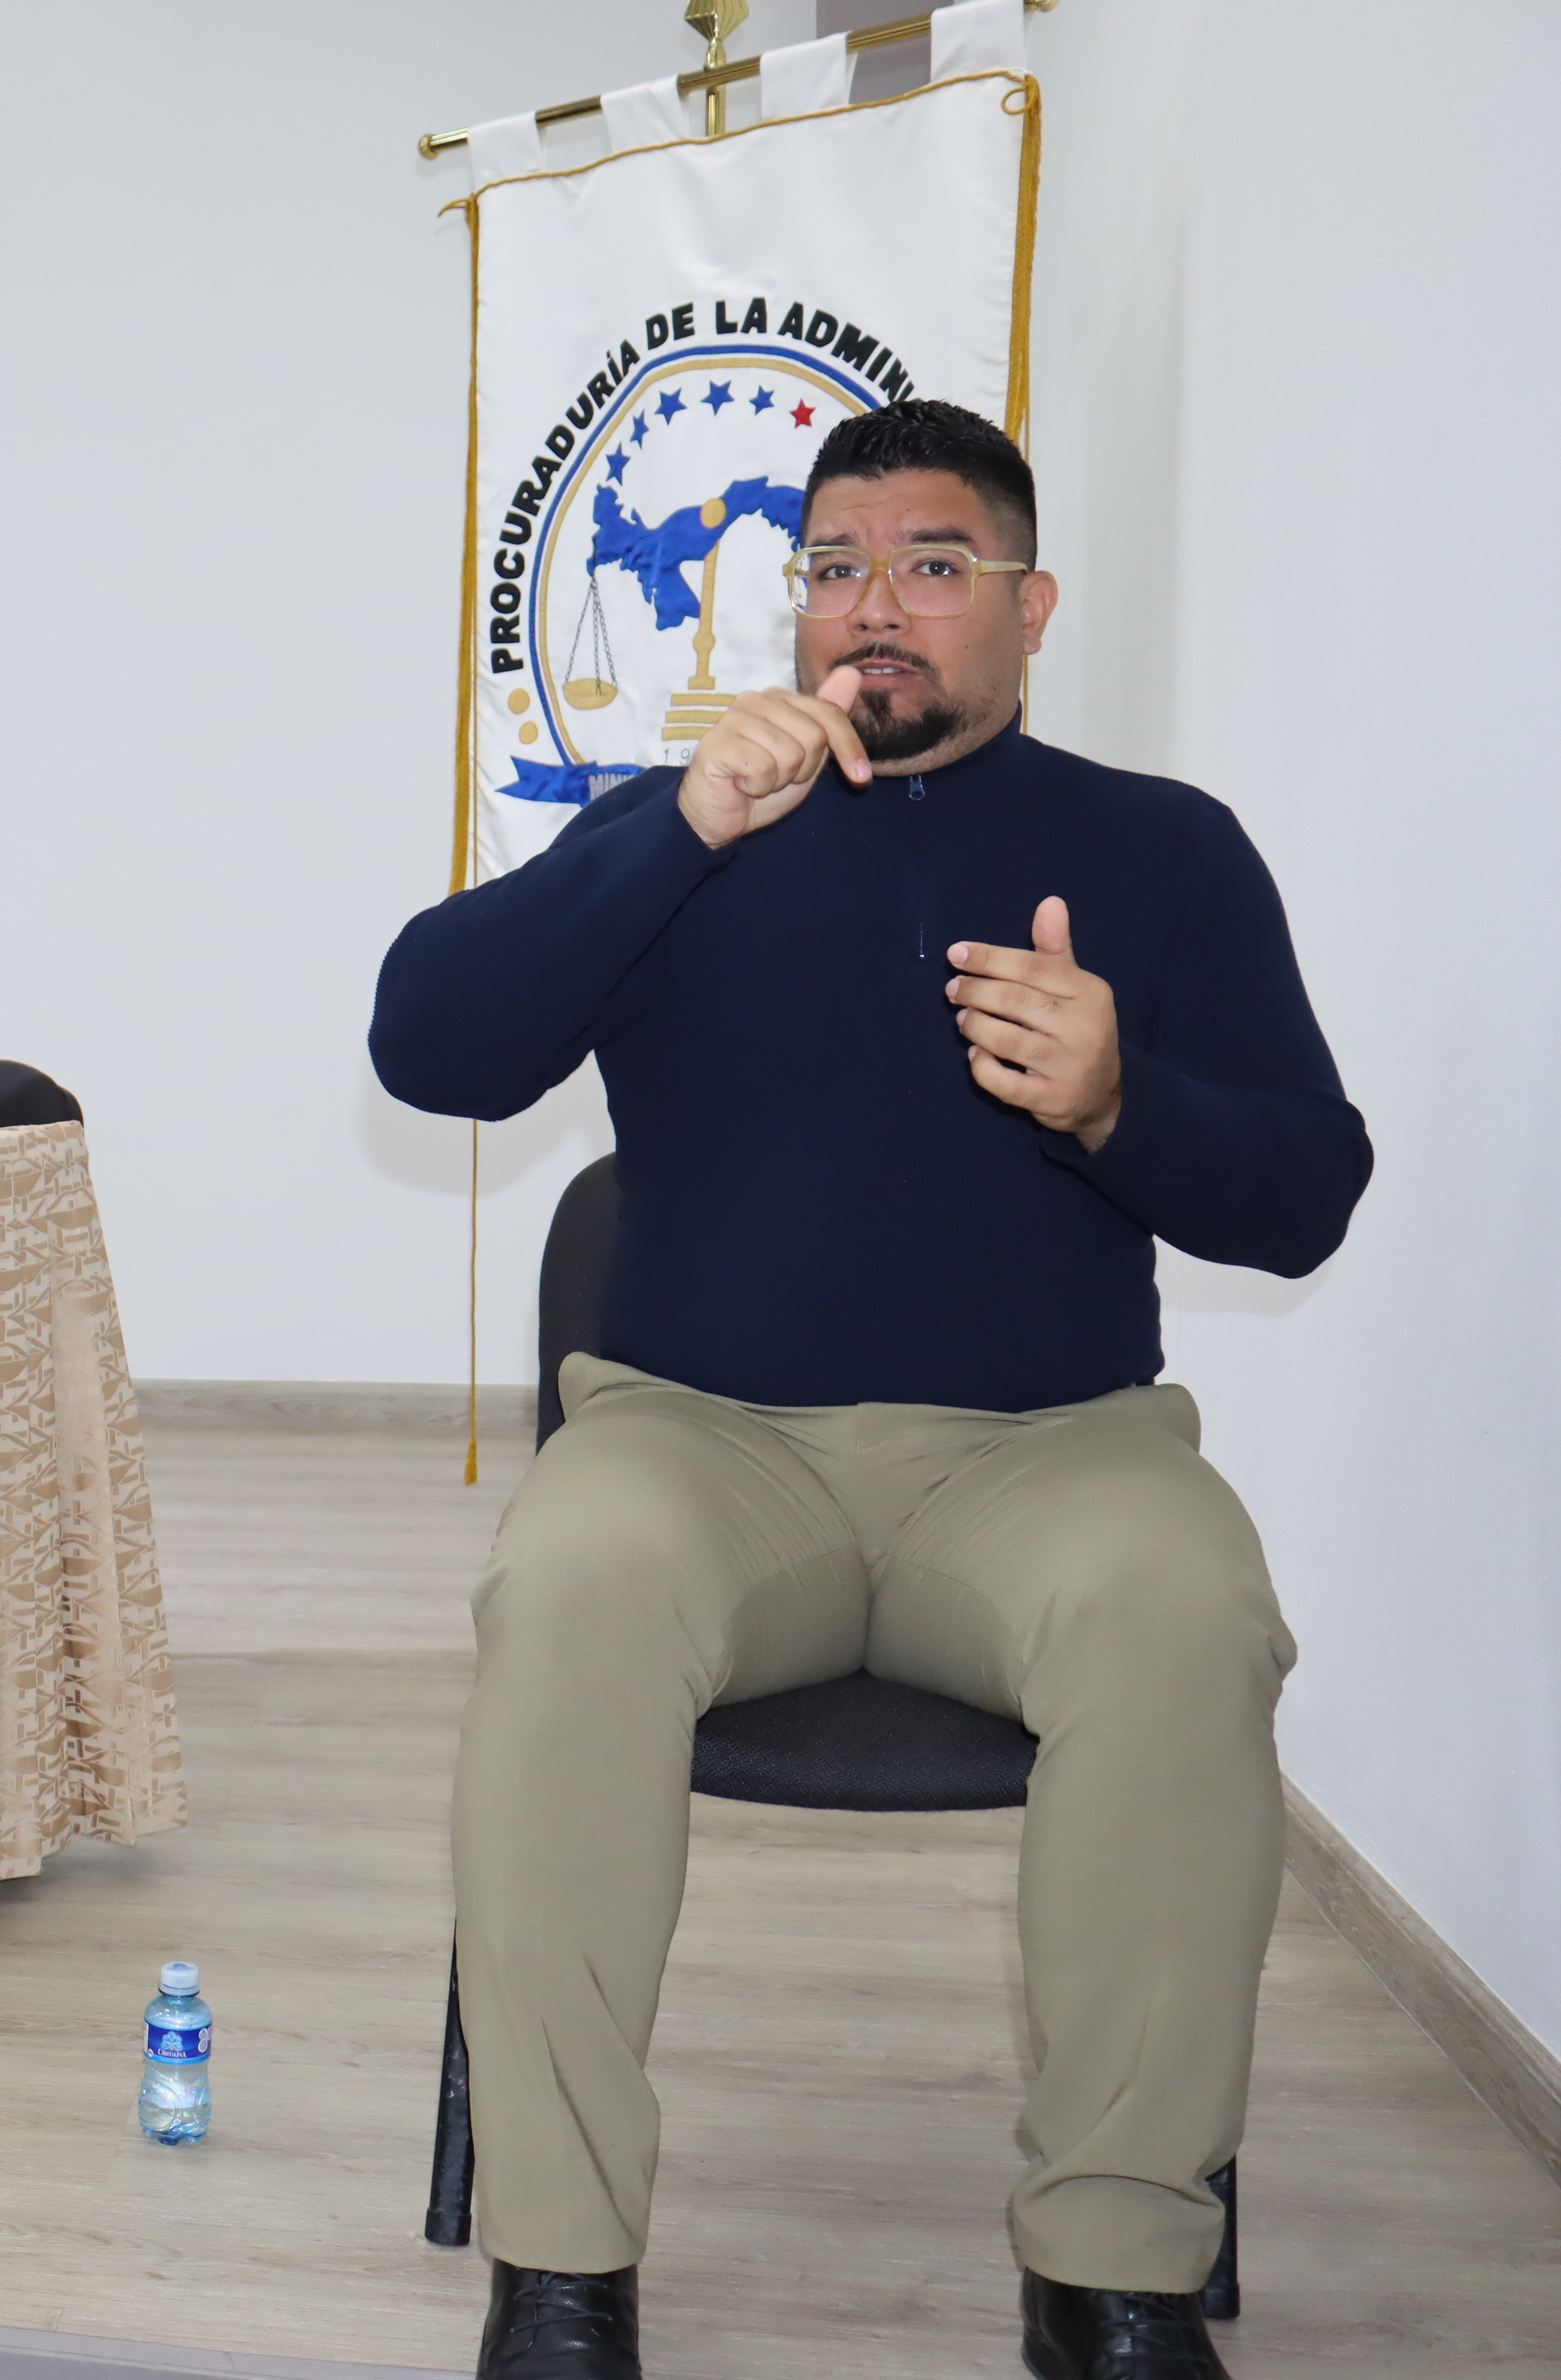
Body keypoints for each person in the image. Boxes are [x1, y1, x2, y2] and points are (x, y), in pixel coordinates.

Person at [368, 401, 1369, 2380]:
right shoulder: (683, 827)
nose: (875, 605)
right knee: (569, 1585)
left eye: (932, 564)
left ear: (1031, 606)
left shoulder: (1165, 851)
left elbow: (1307, 1194)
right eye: (834, 566)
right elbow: (431, 1044)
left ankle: (1113, 2278)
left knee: (1186, 1606)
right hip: (702, 1444)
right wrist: (675, 831)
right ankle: (560, 2274)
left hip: (1050, 1458)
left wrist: (1122, 1101)